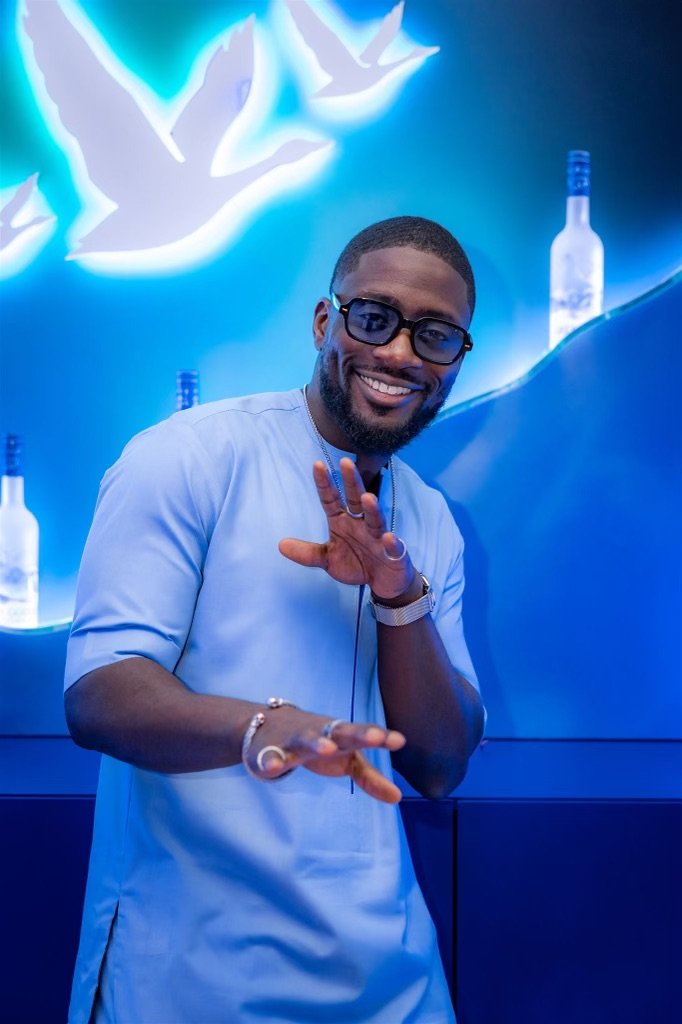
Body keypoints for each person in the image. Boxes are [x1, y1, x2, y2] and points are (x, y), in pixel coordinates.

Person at [65, 215, 486, 1024]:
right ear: (326, 322)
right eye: (375, 318)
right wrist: (271, 724)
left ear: (456, 361)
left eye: (435, 336)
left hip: (394, 987)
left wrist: (401, 598)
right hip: (192, 979)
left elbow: (439, 763)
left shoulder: (429, 518)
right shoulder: (185, 457)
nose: (401, 353)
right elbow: (99, 697)